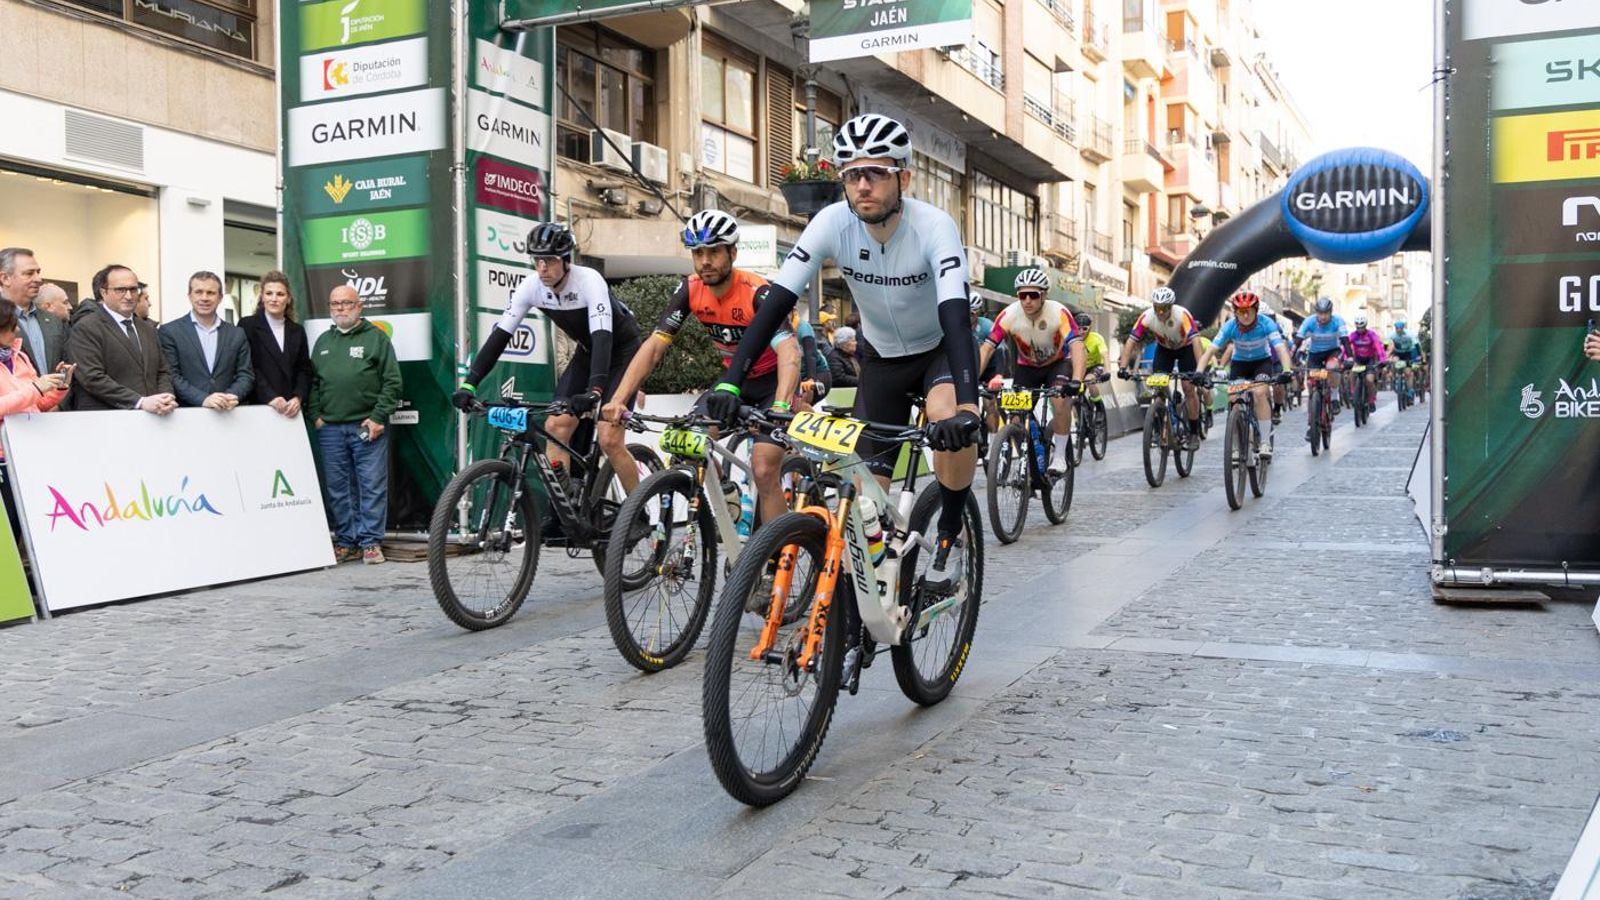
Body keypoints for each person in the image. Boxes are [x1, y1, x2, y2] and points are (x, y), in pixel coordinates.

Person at [702, 113, 983, 590]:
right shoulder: (832, 222)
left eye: (876, 172)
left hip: (936, 351)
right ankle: (853, 632)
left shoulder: (934, 226)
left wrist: (968, 404)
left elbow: (956, 315)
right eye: (852, 174)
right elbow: (774, 307)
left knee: (946, 419)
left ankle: (950, 530)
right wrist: (731, 379)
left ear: (904, 178)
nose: (863, 185)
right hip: (880, 361)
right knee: (862, 508)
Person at [600, 209, 800, 525]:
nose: (705, 260)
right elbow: (653, 347)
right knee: (688, 441)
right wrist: (618, 398)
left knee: (764, 467)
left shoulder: (757, 292)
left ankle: (774, 559)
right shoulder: (690, 289)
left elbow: (790, 352)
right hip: (732, 384)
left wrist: (780, 403)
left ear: (733, 253)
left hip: (773, 385)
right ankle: (725, 489)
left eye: (714, 251)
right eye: (698, 252)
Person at [454, 223, 643, 493]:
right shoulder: (531, 286)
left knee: (609, 438)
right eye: (537, 260)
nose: (542, 268)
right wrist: (469, 383)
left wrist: (595, 390)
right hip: (588, 352)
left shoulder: (589, 280)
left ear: (566, 260)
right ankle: (563, 512)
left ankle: (637, 511)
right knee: (556, 425)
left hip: (623, 352)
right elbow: (499, 337)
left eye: (549, 260)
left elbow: (603, 336)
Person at [310, 285, 402, 565]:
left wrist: (377, 417)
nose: (340, 308)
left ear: (360, 306)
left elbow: (392, 382)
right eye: (335, 303)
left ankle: (371, 542)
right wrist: (316, 414)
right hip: (330, 429)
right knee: (338, 487)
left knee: (371, 485)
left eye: (346, 303)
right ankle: (347, 541)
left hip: (366, 426)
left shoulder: (377, 339)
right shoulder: (323, 341)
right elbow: (313, 383)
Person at [977, 268, 1085, 474]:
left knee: (1060, 400)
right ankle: (1030, 467)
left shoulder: (1059, 313)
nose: (1027, 300)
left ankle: (1060, 456)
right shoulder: (1008, 315)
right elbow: (987, 348)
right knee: (1015, 417)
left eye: (1033, 295)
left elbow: (1077, 346)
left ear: (1044, 295)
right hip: (1027, 368)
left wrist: (1077, 380)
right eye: (1022, 295)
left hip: (1058, 364)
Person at [0, 300, 70, 546]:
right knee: (7, 531)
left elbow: (35, 403)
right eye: (10, 326)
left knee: (30, 528)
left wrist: (58, 387)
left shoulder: (19, 356)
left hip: (30, 454)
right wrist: (34, 388)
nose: (17, 331)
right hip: (4, 460)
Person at [64, 265, 175, 414]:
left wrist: (165, 397)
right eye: (120, 290)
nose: (129, 296)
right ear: (104, 292)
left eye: (133, 289)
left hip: (152, 417)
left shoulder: (147, 329)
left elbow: (162, 371)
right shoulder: (86, 328)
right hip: (107, 420)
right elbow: (92, 378)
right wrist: (139, 402)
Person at [1197, 291, 1294, 458]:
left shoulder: (1267, 324)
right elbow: (1210, 350)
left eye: (1249, 310)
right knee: (1234, 399)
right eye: (1241, 311)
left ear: (1256, 310)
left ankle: (1264, 442)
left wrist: (1286, 370)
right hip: (1240, 364)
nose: (1246, 315)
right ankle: (1235, 446)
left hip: (1261, 363)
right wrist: (1199, 372)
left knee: (1259, 393)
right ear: (1235, 312)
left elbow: (1280, 349)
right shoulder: (1229, 326)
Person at [1118, 286, 1204, 449]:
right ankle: (1158, 426)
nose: (1161, 312)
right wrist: (1123, 367)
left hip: (1186, 349)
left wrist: (1200, 370)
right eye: (1158, 308)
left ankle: (1193, 432)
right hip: (1165, 350)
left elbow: (1196, 342)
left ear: (1171, 306)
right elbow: (1131, 341)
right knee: (1158, 386)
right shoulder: (1147, 316)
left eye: (1165, 308)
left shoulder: (1182, 315)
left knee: (1188, 388)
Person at [158, 271, 253, 411]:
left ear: (220, 297)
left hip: (227, 414)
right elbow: (172, 375)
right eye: (199, 292)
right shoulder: (170, 332)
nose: (204, 298)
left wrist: (229, 396)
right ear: (189, 296)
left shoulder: (237, 333)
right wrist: (203, 399)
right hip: (186, 414)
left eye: (210, 293)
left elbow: (246, 374)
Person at [240, 271, 314, 419]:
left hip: (291, 409)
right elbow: (247, 367)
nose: (274, 299)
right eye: (269, 293)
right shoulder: (247, 325)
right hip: (260, 406)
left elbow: (304, 369)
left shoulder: (297, 330)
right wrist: (270, 397)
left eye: (280, 294)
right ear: (262, 297)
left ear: (288, 299)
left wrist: (298, 397)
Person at [0, 248, 67, 378]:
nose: (38, 279)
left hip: (57, 397)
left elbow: (66, 365)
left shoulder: (53, 320)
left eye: (38, 272)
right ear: (5, 278)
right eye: (29, 273)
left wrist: (60, 394)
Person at [1296, 298, 1350, 414]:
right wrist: (1292, 355)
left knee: (1332, 368)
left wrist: (1350, 357)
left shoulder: (1338, 321)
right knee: (1312, 382)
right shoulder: (1309, 321)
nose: (1323, 316)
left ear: (1331, 312)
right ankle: (1313, 419)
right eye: (1320, 313)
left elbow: (1345, 340)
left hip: (1332, 351)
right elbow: (1299, 340)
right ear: (1316, 313)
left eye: (1326, 313)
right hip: (1315, 354)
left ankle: (1335, 398)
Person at [1346, 316, 1387, 414]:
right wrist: (1345, 358)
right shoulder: (1353, 335)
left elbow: (1378, 347)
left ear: (1365, 326)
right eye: (1358, 327)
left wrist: (1382, 359)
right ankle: (1353, 393)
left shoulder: (1371, 335)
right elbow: (1346, 346)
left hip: (1370, 359)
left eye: (1362, 327)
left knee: (1369, 380)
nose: (1360, 329)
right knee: (1352, 373)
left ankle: (1371, 400)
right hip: (1358, 359)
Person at [1076, 311, 1109, 409]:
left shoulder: (1096, 338)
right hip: (1081, 366)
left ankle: (1099, 406)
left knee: (1089, 380)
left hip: (1095, 365)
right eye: (1078, 328)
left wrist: (1107, 371)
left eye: (1085, 328)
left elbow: (1105, 355)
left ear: (1090, 328)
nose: (1081, 332)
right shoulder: (1072, 339)